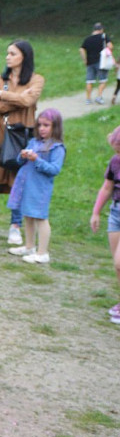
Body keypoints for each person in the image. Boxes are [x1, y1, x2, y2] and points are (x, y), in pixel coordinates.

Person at [0, 40, 44, 245]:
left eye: (12, 53)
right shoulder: (0, 79)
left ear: (24, 56)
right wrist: (14, 98)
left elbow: (28, 101)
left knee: (18, 178)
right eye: (7, 53)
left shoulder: (36, 80)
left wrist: (3, 96)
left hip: (23, 135)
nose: (7, 57)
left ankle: (15, 226)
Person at [6, 109, 65, 265]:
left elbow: (55, 169)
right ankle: (29, 246)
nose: (42, 129)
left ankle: (42, 252)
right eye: (39, 125)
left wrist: (37, 160)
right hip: (26, 185)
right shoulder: (34, 142)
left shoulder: (57, 148)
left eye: (46, 125)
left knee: (40, 217)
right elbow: (20, 161)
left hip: (40, 188)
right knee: (28, 215)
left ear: (56, 127)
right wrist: (22, 155)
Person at [89, 125, 120, 324]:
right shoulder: (115, 161)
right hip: (116, 213)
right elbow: (107, 187)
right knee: (118, 267)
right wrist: (96, 212)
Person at [81, 22, 110, 105]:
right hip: (101, 62)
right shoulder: (103, 37)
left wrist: (85, 59)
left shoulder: (88, 39)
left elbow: (81, 49)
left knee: (89, 81)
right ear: (101, 29)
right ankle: (99, 97)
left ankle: (88, 99)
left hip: (90, 62)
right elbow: (110, 46)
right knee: (103, 80)